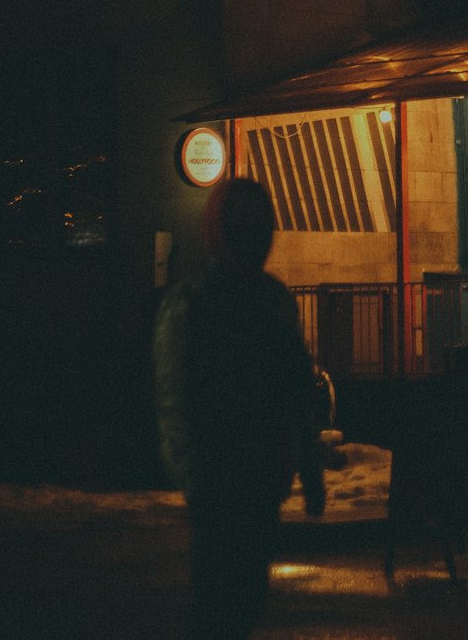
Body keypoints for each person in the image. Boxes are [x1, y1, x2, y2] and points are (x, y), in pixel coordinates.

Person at [154, 177, 326, 640]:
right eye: (241, 224)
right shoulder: (197, 301)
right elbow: (179, 401)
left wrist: (306, 468)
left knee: (243, 599)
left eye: (258, 223)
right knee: (220, 605)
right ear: (220, 229)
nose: (252, 234)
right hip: (222, 479)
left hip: (261, 477)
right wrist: (199, 480)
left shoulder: (270, 299)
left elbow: (295, 388)